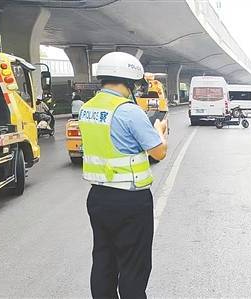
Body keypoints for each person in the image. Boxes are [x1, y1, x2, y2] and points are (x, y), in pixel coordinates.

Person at [78, 52, 168, 299]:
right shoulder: (128, 111)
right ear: (129, 81)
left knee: (103, 259)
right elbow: (158, 153)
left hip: (98, 197)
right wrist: (160, 131)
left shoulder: (87, 109)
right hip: (130, 200)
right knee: (133, 266)